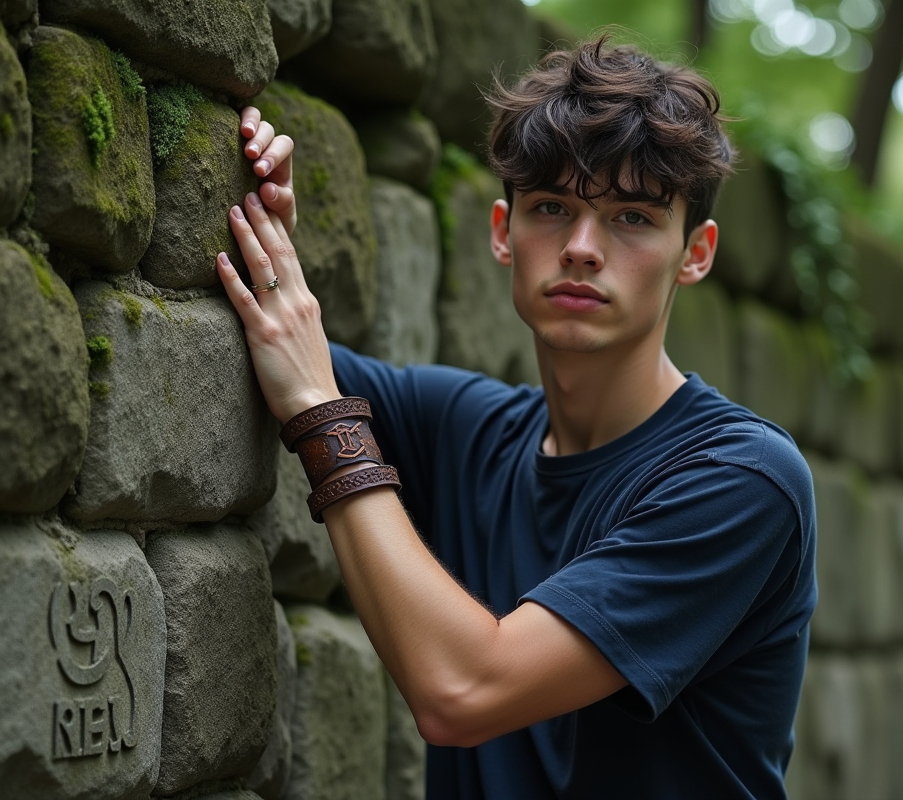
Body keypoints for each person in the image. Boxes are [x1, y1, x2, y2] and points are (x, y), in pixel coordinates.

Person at [219, 36, 817, 800]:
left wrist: (321, 417)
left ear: (695, 254)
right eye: (552, 208)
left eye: (632, 217)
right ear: (504, 232)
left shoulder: (741, 479)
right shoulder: (464, 430)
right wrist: (259, 221)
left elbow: (464, 691)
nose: (582, 248)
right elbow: (287, 351)